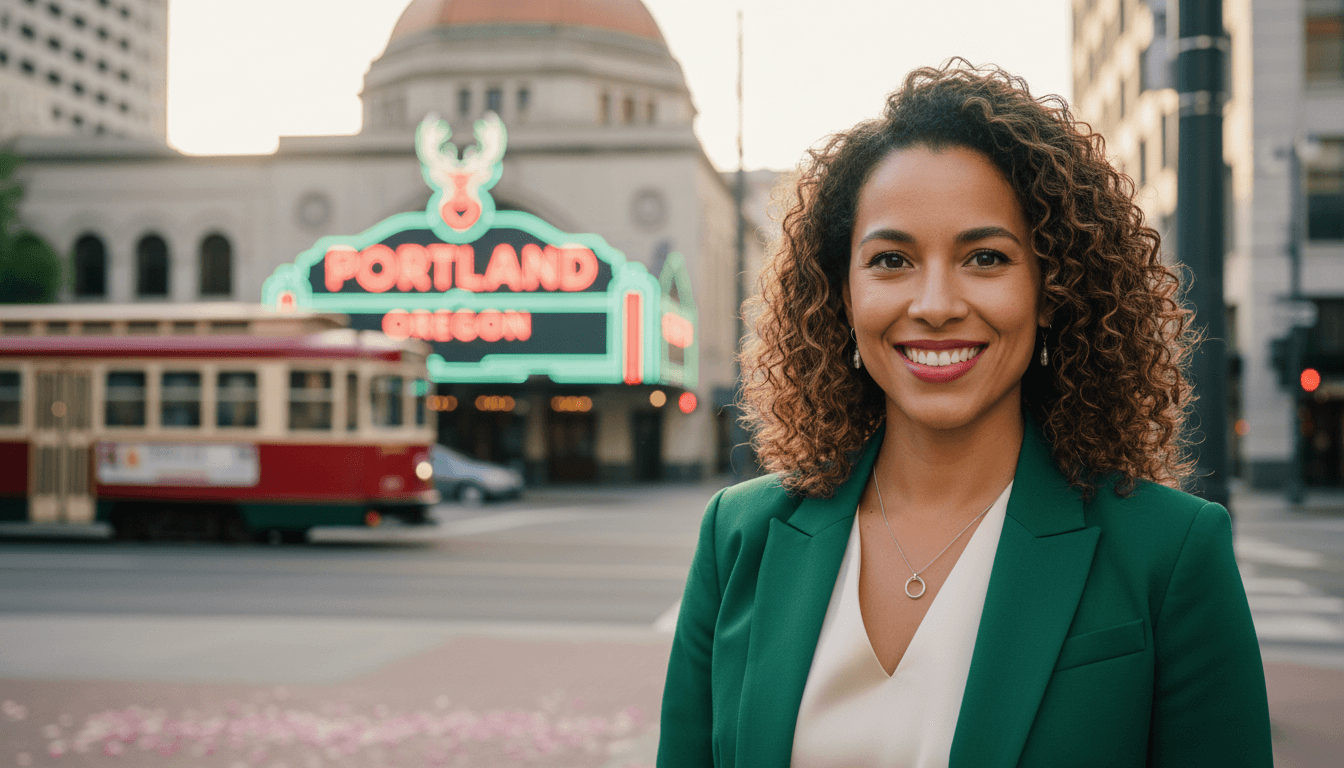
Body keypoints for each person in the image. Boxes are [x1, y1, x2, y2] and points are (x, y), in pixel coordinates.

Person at [657, 62, 1272, 768]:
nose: (937, 303)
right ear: (843, 296)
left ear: (1051, 290)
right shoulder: (740, 537)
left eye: (985, 257)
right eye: (891, 261)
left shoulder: (1169, 551)